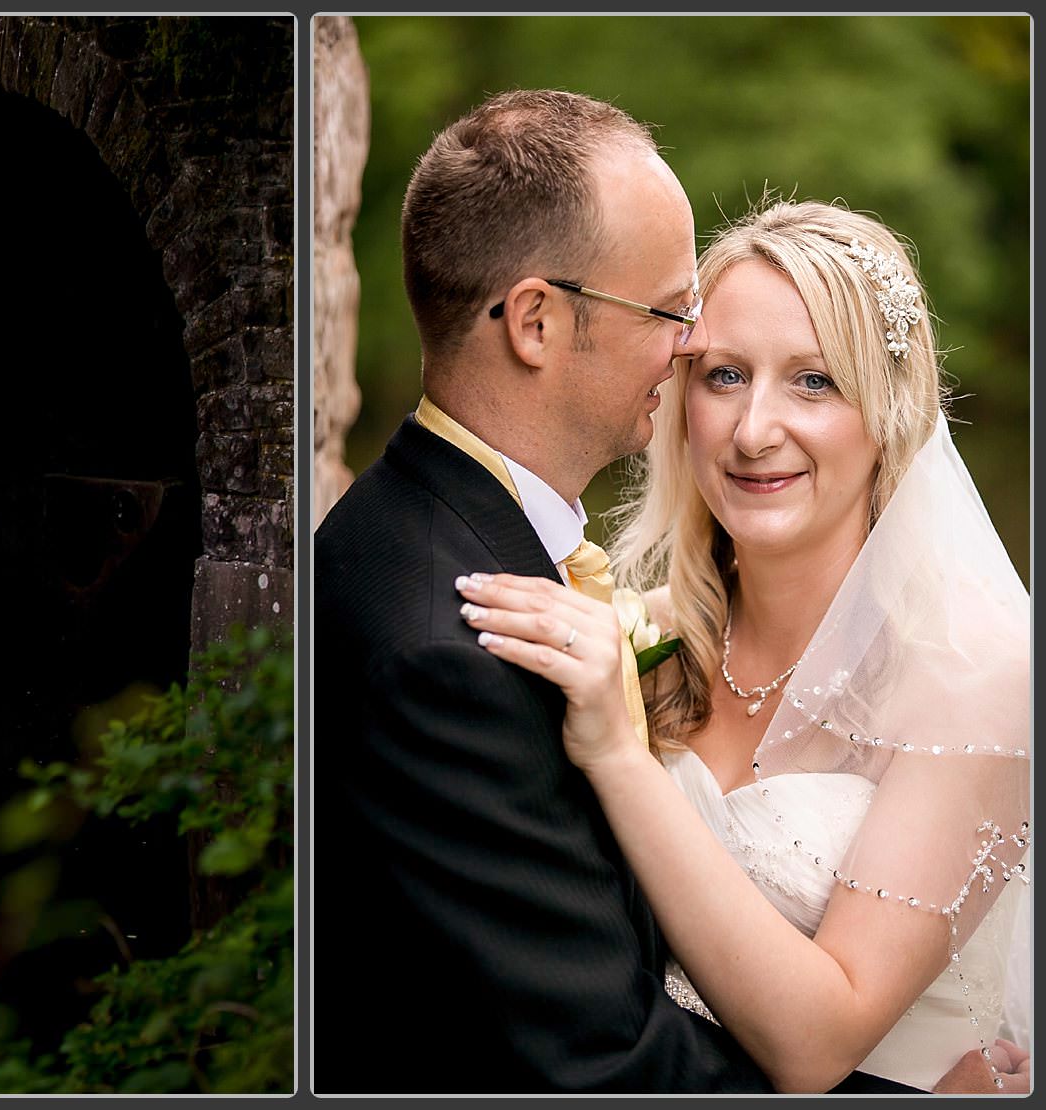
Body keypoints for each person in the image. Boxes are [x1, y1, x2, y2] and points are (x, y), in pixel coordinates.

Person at [455, 200, 1031, 1093]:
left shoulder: (977, 679)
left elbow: (816, 1046)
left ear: (889, 410)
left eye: (813, 382)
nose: (754, 430)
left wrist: (618, 755)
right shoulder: (631, 636)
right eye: (723, 376)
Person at [312, 89, 777, 1092]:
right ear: (535, 321)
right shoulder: (445, 653)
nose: (692, 343)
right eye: (670, 309)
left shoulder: (429, 535)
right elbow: (603, 1068)